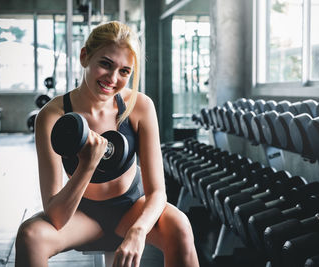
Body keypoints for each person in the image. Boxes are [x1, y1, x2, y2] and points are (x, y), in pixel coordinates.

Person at [15, 21, 199, 267]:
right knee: (30, 236)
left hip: (132, 209)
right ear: (84, 57)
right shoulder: (52, 116)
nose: (113, 78)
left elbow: (157, 193)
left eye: (124, 71)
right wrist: (87, 164)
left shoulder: (140, 106)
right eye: (105, 64)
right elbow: (57, 217)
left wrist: (139, 231)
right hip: (80, 216)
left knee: (180, 226)